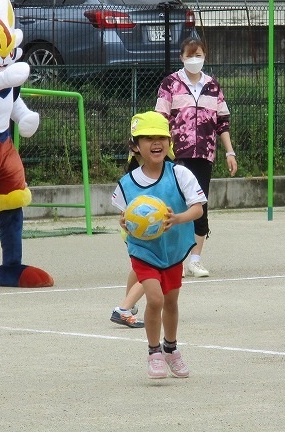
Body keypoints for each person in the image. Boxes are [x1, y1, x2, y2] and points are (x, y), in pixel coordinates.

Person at [110, 111, 206, 379]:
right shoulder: (127, 184)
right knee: (156, 299)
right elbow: (123, 214)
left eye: (161, 137)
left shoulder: (180, 174)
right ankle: (154, 352)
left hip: (173, 250)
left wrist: (177, 218)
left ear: (169, 141)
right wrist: (124, 221)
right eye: (148, 138)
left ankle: (171, 348)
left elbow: (197, 210)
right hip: (144, 251)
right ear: (135, 145)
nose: (156, 143)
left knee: (172, 302)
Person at [156, 37, 237, 278]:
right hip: (176, 153)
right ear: (181, 57)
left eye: (198, 55)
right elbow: (160, 118)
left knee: (199, 205)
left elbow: (222, 121)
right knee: (174, 203)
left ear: (205, 56)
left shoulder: (213, 85)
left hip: (204, 153)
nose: (194, 60)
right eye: (190, 56)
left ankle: (196, 259)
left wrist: (229, 152)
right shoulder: (170, 83)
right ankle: (173, 258)